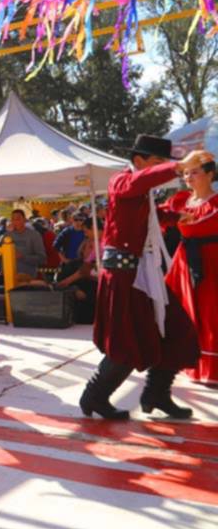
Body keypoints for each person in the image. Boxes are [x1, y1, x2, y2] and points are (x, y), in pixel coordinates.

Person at [81, 135, 204, 420]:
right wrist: (176, 167)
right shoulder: (121, 181)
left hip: (145, 272)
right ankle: (95, 395)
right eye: (157, 162)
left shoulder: (141, 191)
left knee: (178, 330)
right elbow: (133, 187)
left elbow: (147, 214)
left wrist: (175, 217)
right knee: (127, 339)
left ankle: (156, 394)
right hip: (124, 275)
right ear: (139, 160)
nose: (162, 167)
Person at [163, 151, 218, 388]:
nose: (188, 177)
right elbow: (158, 218)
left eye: (194, 172)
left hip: (212, 261)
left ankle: (211, 367)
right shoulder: (179, 201)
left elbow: (198, 226)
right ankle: (188, 362)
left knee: (211, 313)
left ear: (210, 174)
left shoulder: (216, 202)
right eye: (185, 173)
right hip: (184, 262)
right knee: (183, 312)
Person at [7, 209, 47, 282]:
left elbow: (42, 258)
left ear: (24, 220)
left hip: (28, 277)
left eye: (18, 219)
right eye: (13, 219)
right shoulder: (7, 235)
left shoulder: (34, 235)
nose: (15, 222)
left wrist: (23, 257)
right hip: (9, 278)